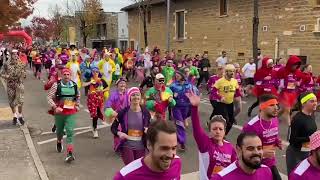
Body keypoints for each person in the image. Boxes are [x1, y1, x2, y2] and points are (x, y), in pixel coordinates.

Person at [186, 91, 237, 179]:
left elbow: (234, 168)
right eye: (214, 129)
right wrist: (194, 108)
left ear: (225, 131)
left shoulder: (230, 147)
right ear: (210, 131)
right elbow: (196, 128)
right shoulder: (205, 144)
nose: (217, 131)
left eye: (220, 129)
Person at [114, 120, 181, 180]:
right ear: (149, 145)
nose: (170, 155)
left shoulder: (176, 162)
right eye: (164, 148)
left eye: (173, 148)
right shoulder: (125, 177)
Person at [242, 94, 282, 180]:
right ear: (262, 107)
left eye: (276, 105)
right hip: (254, 165)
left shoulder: (274, 120)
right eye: (271, 105)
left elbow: (272, 134)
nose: (276, 108)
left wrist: (277, 141)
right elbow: (242, 150)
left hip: (270, 162)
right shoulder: (251, 127)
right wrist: (262, 153)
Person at [47, 68, 80, 162]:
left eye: (68, 74)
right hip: (60, 111)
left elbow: (78, 96)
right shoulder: (56, 85)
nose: (66, 76)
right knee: (60, 131)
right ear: (61, 76)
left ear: (70, 76)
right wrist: (54, 107)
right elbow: (49, 97)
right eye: (64, 74)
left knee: (70, 131)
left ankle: (70, 153)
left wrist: (77, 104)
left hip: (70, 111)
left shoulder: (74, 85)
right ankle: (59, 141)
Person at [111, 87, 151, 165]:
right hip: (127, 145)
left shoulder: (145, 112)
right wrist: (120, 133)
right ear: (129, 97)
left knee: (139, 170)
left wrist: (148, 130)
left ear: (140, 97)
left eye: (137, 95)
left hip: (141, 146)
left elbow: (150, 126)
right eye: (133, 95)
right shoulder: (123, 112)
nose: (136, 97)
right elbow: (113, 128)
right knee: (130, 168)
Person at [286, 92, 318, 174]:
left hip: (307, 152)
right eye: (312, 101)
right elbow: (292, 139)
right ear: (303, 104)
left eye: (316, 101)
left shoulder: (311, 115)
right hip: (296, 154)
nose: (315, 103)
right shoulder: (298, 119)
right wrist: (313, 137)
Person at [170, 70, 199, 151]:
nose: (176, 76)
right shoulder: (173, 86)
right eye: (175, 75)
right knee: (180, 124)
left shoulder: (189, 85)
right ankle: (182, 142)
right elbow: (167, 94)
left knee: (180, 123)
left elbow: (196, 93)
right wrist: (172, 96)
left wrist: (196, 97)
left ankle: (176, 134)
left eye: (178, 74)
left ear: (182, 75)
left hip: (186, 107)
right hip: (176, 107)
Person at [211, 64, 241, 134]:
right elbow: (213, 92)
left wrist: (239, 96)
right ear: (226, 72)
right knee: (225, 119)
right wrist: (220, 97)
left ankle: (224, 134)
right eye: (230, 71)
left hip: (230, 103)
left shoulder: (234, 81)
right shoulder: (220, 81)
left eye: (233, 71)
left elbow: (237, 91)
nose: (232, 73)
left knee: (231, 120)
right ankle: (218, 132)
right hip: (221, 103)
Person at [0, 49, 26, 125]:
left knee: (21, 101)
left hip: (19, 84)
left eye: (16, 54)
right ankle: (15, 116)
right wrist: (6, 76)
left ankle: (20, 116)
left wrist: (23, 76)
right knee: (11, 102)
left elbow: (24, 72)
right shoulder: (6, 64)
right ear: (11, 55)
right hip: (10, 85)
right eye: (14, 54)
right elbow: (1, 73)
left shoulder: (20, 63)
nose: (15, 55)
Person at [82, 67, 108, 138]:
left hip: (99, 99)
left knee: (98, 113)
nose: (95, 73)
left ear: (98, 72)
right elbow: (83, 85)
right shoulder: (90, 79)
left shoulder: (101, 80)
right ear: (92, 72)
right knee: (94, 114)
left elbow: (107, 87)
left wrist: (102, 91)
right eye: (93, 71)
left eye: (96, 71)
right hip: (92, 100)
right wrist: (90, 82)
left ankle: (94, 126)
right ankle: (95, 129)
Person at [105, 77, 128, 151]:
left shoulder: (128, 93)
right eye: (121, 83)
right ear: (117, 85)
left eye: (124, 83)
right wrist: (112, 112)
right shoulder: (113, 95)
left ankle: (126, 146)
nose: (122, 85)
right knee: (118, 130)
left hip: (128, 115)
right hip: (117, 116)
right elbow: (108, 105)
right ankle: (118, 146)